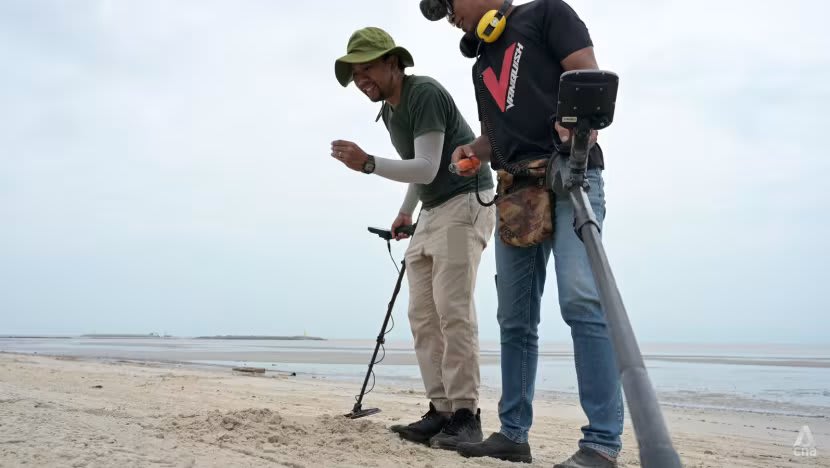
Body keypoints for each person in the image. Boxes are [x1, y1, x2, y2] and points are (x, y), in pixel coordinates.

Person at [419, 1, 624, 467]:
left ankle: (602, 443)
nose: (449, 14)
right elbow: (497, 135)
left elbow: (587, 75)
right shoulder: (481, 65)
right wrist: (473, 150)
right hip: (516, 192)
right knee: (513, 319)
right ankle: (513, 434)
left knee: (581, 300)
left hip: (571, 177)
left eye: (449, 3)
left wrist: (578, 127)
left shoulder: (547, 14)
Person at [331, 26, 497, 451]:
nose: (361, 79)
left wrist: (368, 163)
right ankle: (441, 410)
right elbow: (420, 168)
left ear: (393, 62)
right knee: (422, 315)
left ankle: (466, 415)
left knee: (453, 310)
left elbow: (426, 166)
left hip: (465, 202)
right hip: (431, 211)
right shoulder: (389, 111)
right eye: (355, 73)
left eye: (367, 68)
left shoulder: (423, 93)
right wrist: (407, 210)